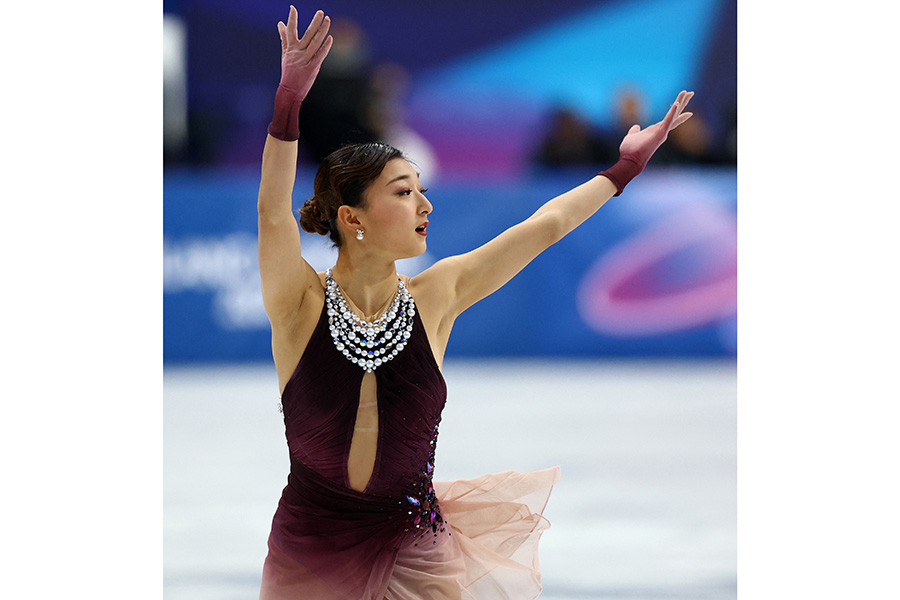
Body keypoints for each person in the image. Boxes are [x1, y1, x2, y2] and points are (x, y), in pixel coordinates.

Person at [256, 7, 694, 600]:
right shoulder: (298, 304)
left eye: (423, 192)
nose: (425, 207)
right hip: (309, 549)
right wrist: (288, 104)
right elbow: (271, 213)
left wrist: (625, 167)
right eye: (404, 193)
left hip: (417, 553)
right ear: (352, 217)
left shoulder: (438, 293)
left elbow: (544, 226)